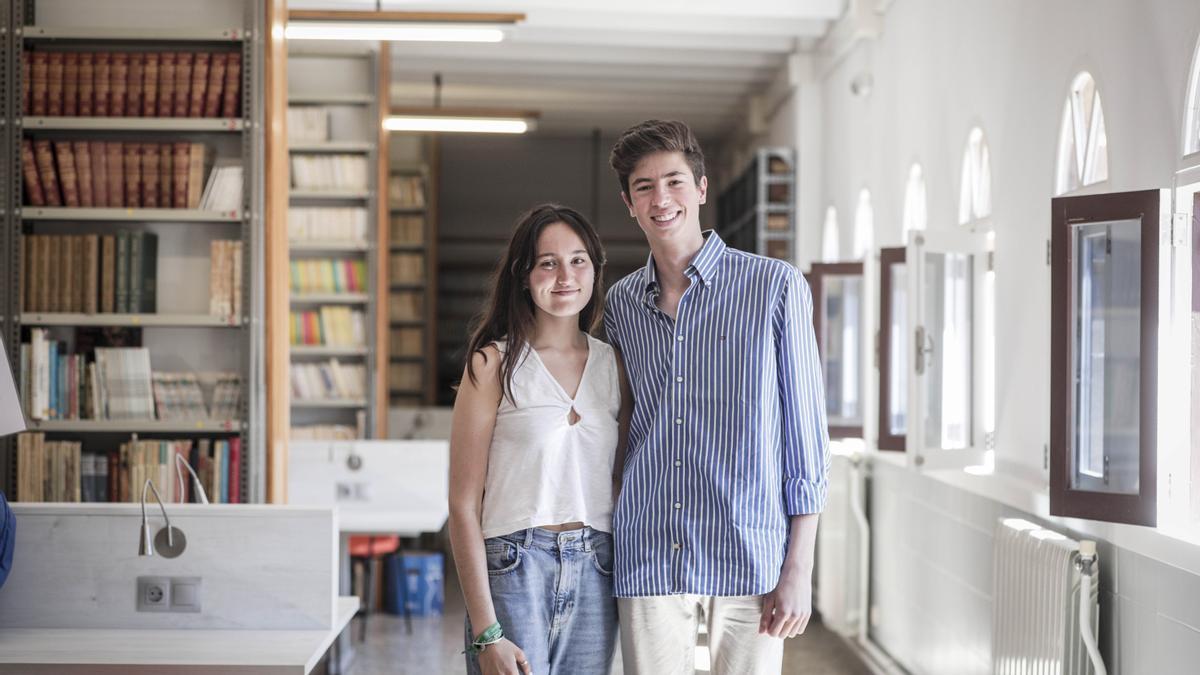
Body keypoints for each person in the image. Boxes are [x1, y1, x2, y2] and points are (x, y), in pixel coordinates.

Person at [603, 119, 831, 675]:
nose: (661, 199)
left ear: (701, 190)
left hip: (750, 548)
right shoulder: (621, 303)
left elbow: (806, 436)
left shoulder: (775, 287)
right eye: (644, 187)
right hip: (651, 543)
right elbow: (620, 420)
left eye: (675, 182)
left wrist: (798, 569)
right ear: (629, 203)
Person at [448, 203, 622, 675]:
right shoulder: (492, 365)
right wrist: (488, 632)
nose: (565, 275)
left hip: (597, 568)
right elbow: (463, 506)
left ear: (594, 269)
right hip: (513, 568)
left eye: (578, 260)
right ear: (524, 275)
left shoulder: (617, 366)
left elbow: (623, 479)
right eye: (548, 262)